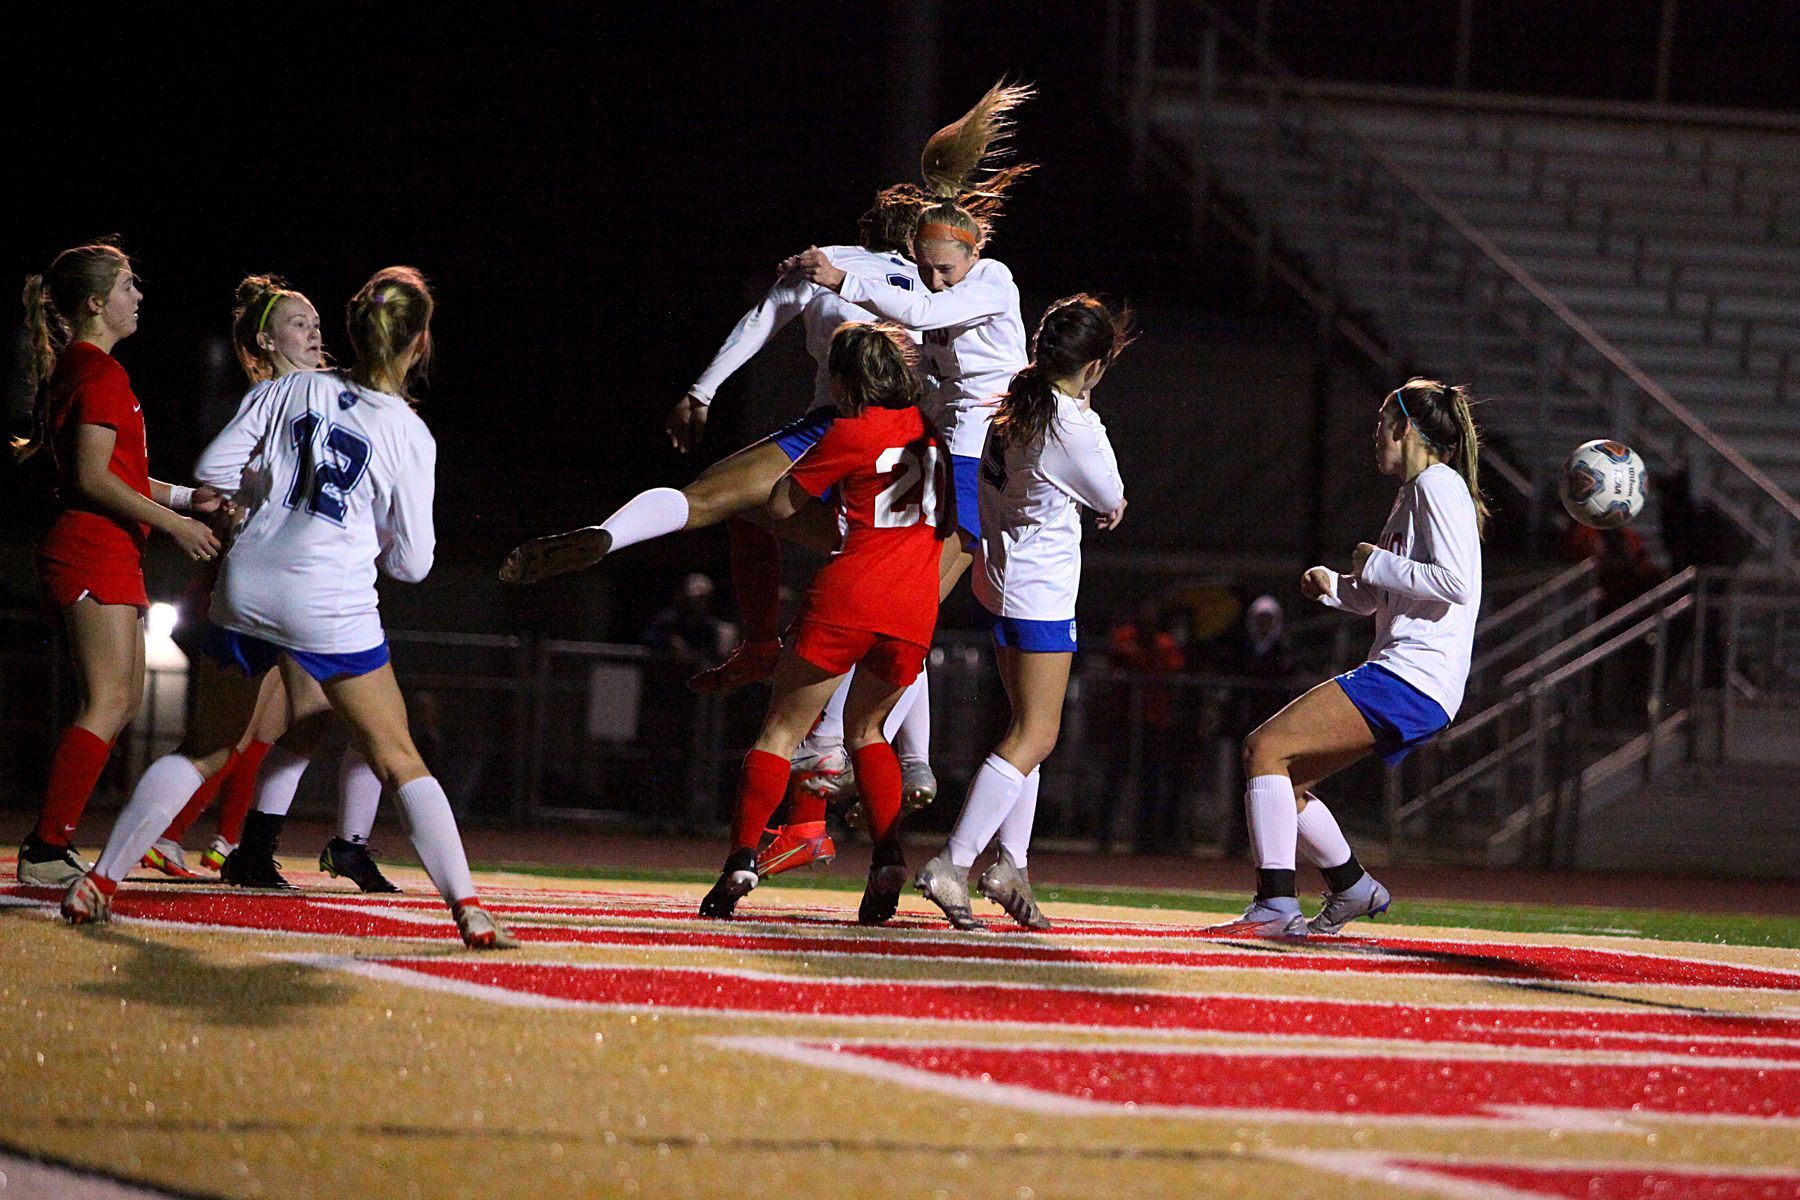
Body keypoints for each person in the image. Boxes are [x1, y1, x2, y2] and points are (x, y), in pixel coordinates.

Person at [60, 267, 515, 950]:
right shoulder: (409, 434)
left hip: (246, 587)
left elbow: (215, 469)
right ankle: (470, 907)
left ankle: (103, 878)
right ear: (419, 344)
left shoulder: (290, 387)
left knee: (207, 745)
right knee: (398, 758)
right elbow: (412, 564)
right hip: (329, 602)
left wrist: (267, 490)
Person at [137, 276, 400, 893]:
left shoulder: (319, 395)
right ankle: (186, 841)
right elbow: (226, 486)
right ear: (265, 339)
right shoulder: (276, 401)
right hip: (274, 590)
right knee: (246, 732)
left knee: (301, 722)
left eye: (316, 322)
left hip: (303, 584)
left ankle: (242, 845)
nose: (315, 332)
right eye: (299, 322)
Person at [698, 321, 948, 925]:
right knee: (867, 732)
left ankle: (739, 859)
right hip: (914, 605)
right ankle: (888, 856)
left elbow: (783, 501)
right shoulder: (934, 435)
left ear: (845, 379)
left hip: (849, 596)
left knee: (780, 734)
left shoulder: (849, 428)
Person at [1218, 378, 1486, 937]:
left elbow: (1455, 582)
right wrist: (1338, 585)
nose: (1376, 434)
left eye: (1383, 422)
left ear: (1407, 429)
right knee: (1282, 780)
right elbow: (1386, 591)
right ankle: (1353, 887)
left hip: (1413, 675)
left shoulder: (1438, 485)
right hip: (1412, 676)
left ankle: (1275, 906)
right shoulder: (1415, 493)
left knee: (1265, 748)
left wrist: (1372, 564)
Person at [912, 295, 1131, 931]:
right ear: (1091, 368)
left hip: (998, 578)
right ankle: (954, 861)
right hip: (1039, 590)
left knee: (1022, 731)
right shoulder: (1072, 423)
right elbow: (1111, 495)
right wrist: (1094, 427)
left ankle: (1012, 862)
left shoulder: (1015, 402)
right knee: (1037, 735)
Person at [14, 241, 225, 885]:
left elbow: (120, 472)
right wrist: (177, 524)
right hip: (90, 546)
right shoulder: (100, 374)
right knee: (108, 698)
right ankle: (46, 847)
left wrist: (190, 496)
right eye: (130, 285)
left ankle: (55, 841)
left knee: (124, 697)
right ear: (97, 303)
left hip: (108, 547)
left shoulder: (87, 369)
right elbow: (90, 477)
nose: (140, 296)